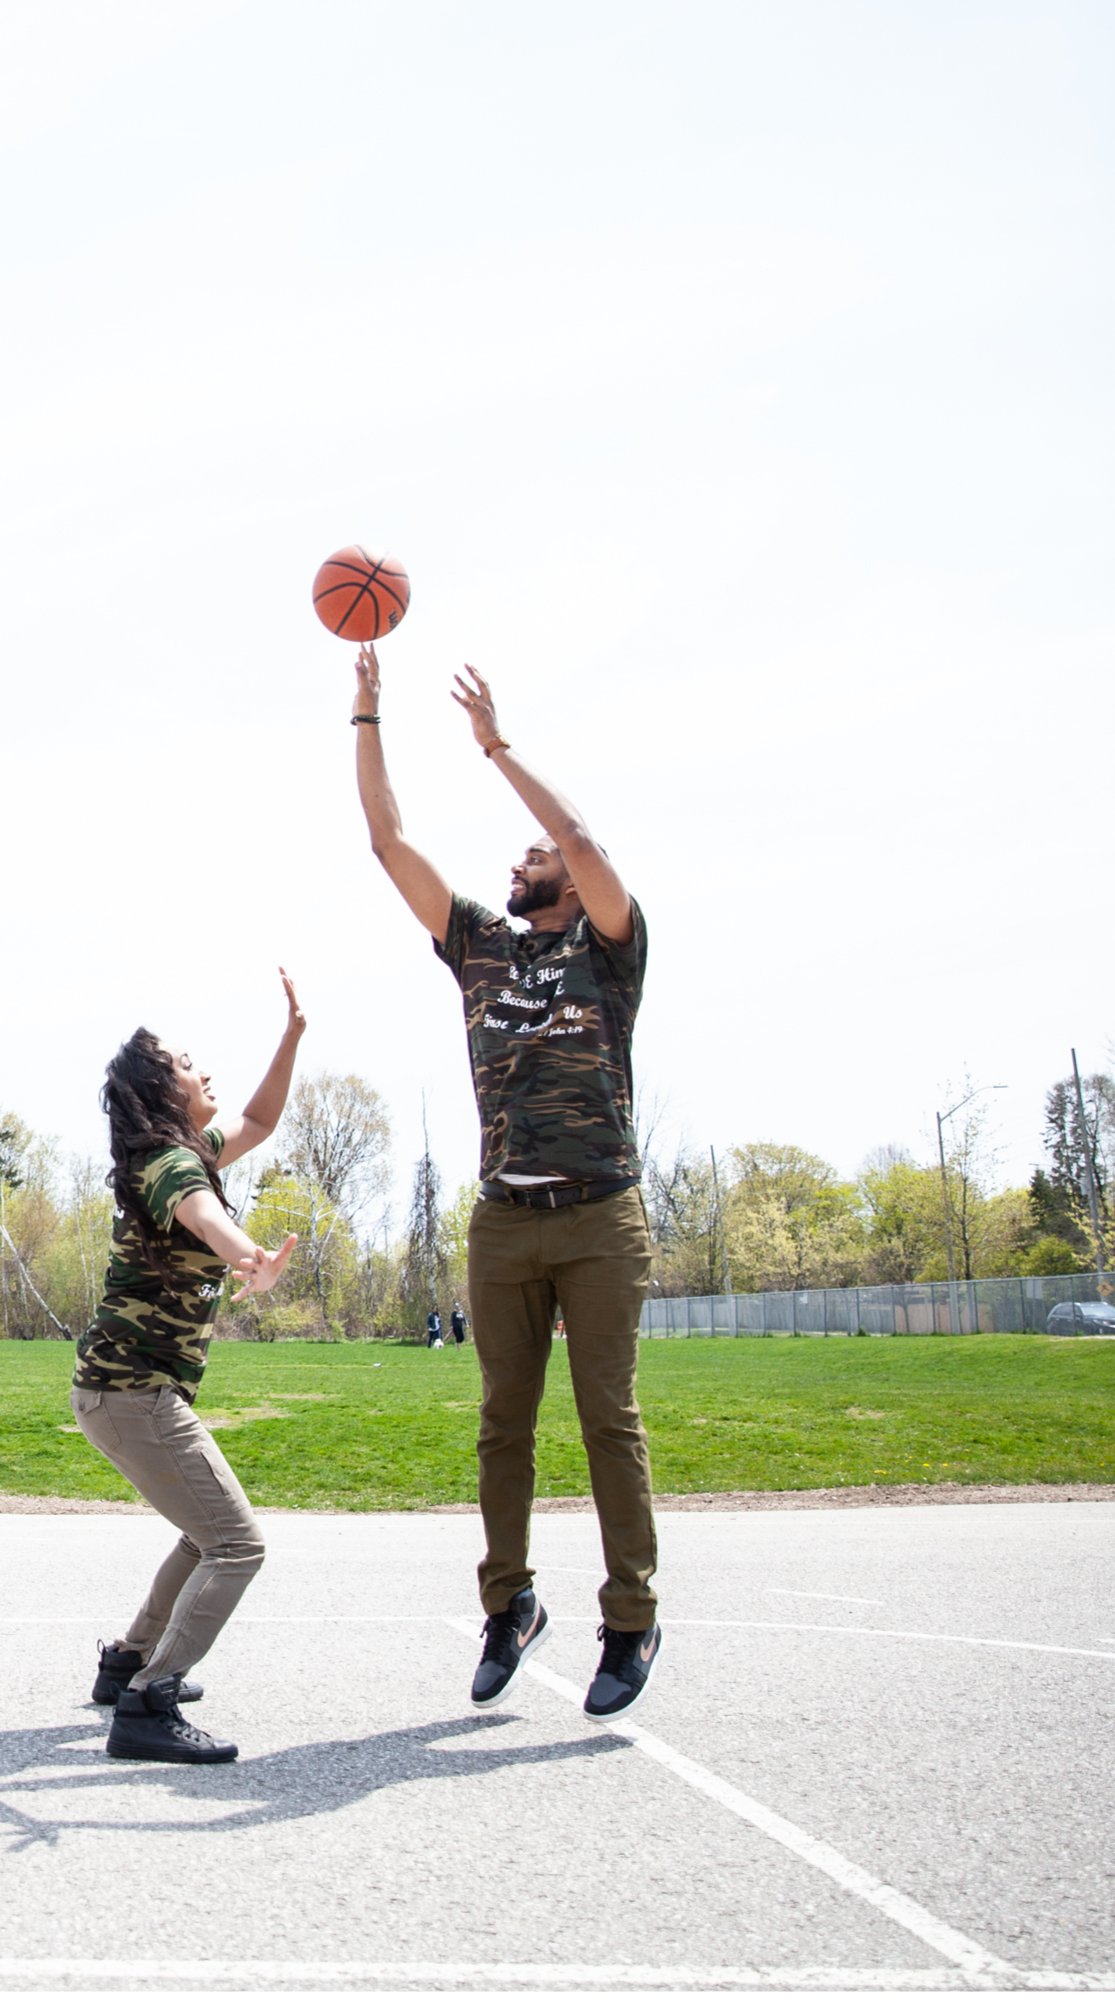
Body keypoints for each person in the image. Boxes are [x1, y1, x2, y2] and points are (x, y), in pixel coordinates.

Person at [352, 646, 662, 1718]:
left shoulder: (611, 949)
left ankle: (629, 1620)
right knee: (500, 1422)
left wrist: (496, 748)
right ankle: (509, 1605)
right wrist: (367, 716)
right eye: (524, 851)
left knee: (606, 1419)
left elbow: (581, 837)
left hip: (598, 1214)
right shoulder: (480, 943)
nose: (524, 857)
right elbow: (388, 842)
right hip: (503, 1221)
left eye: (537, 853)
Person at [70, 980, 308, 1766]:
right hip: (133, 1394)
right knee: (236, 1545)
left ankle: (127, 1661)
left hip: (124, 1391)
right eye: (183, 1063)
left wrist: (293, 1034)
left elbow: (264, 1119)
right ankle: (149, 1700)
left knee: (200, 1531)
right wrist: (248, 1258)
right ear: (157, 1092)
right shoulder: (172, 1163)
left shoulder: (184, 1151)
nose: (202, 1070)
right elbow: (203, 1215)